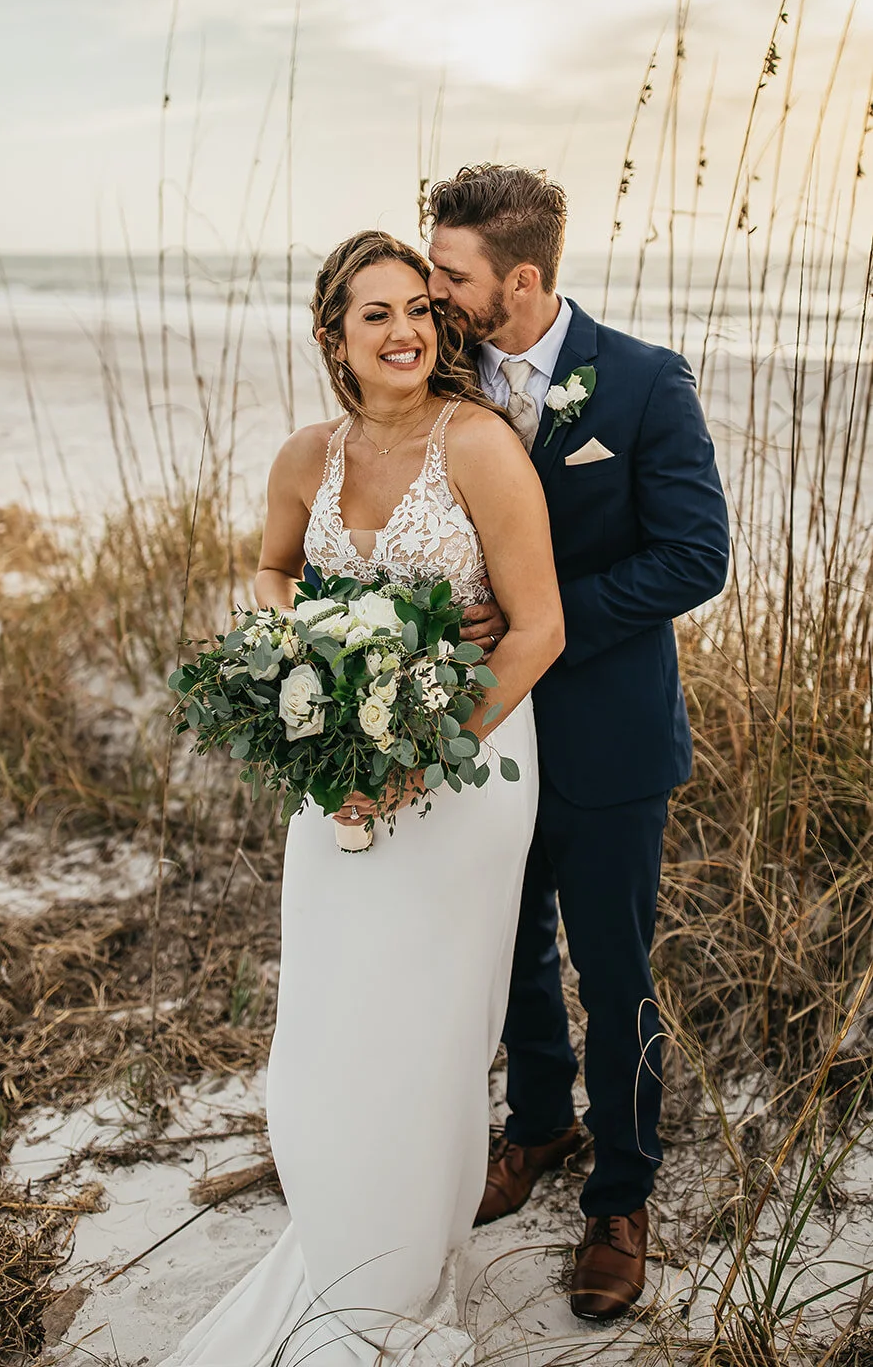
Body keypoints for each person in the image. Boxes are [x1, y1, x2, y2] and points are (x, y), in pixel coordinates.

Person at [159, 230, 564, 1364]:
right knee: (331, 1014)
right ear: (333, 338)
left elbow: (537, 628)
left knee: (429, 1020)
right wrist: (295, 655)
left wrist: (419, 750)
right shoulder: (303, 457)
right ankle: (340, 1232)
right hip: (332, 773)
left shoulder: (476, 444)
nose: (404, 332)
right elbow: (275, 568)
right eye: (374, 314)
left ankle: (396, 1268)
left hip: (463, 771)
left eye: (417, 312)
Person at [425, 164, 730, 1321]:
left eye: (448, 275)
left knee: (614, 970)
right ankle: (539, 1124)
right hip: (483, 737)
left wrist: (543, 624)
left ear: (521, 278)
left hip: (605, 737)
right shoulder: (443, 380)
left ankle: (621, 1192)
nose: (431, 292)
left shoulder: (644, 384)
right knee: (506, 953)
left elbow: (694, 556)